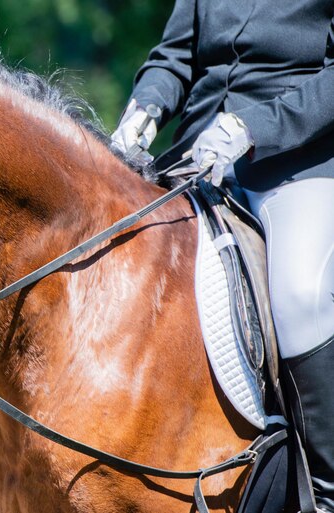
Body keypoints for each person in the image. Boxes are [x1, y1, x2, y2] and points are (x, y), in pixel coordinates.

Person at [112, 1, 334, 511]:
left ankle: (325, 492)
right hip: (196, 157)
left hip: (295, 159)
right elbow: (173, 57)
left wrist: (253, 128)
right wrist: (143, 113)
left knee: (300, 296)